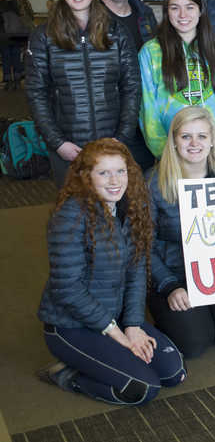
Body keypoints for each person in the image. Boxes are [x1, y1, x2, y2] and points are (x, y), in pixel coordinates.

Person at [37, 138, 186, 405]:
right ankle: (69, 376)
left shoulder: (131, 207)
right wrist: (117, 334)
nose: (114, 180)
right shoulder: (71, 215)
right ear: (86, 177)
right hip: (71, 325)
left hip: (116, 317)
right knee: (143, 389)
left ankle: (106, 354)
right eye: (103, 172)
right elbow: (68, 288)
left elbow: (138, 271)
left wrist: (133, 325)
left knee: (174, 374)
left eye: (120, 171)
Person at [146, 106, 215, 358]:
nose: (194, 143)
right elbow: (143, 245)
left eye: (202, 136)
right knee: (194, 343)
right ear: (174, 141)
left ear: (212, 141)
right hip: (174, 276)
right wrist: (169, 286)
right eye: (186, 136)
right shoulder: (153, 183)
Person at [25, 0, 140, 185]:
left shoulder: (116, 32)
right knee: (73, 213)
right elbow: (36, 94)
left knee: (115, 209)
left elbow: (132, 87)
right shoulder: (43, 36)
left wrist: (121, 138)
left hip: (113, 143)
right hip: (68, 148)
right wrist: (58, 143)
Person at [138, 0, 215, 159]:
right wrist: (165, 154)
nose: (183, 15)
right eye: (174, 8)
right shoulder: (151, 52)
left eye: (190, 7)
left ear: (200, 10)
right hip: (169, 155)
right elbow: (147, 110)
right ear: (166, 12)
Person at [96, 0, 158, 169]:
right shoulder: (91, 18)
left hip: (146, 119)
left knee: (145, 186)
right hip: (110, 121)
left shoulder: (146, 15)